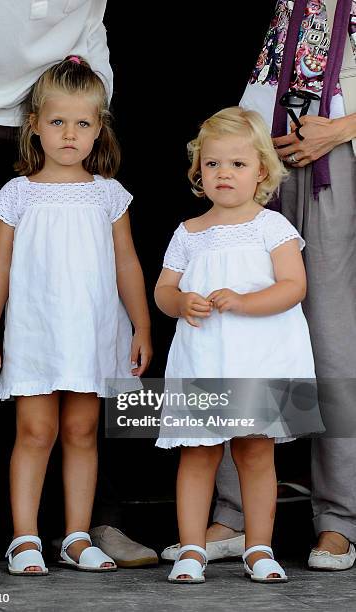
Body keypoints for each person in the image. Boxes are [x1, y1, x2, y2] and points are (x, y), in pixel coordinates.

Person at [0, 0, 156, 567]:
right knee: (36, 431)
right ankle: (23, 537)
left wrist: (141, 325)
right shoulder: (17, 194)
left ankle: (78, 536)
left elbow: (129, 265)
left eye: (83, 123)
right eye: (58, 122)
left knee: (85, 431)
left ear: (99, 129)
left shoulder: (109, 194)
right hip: (39, 334)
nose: (70, 134)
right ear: (35, 126)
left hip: (92, 333)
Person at [162, 0, 356, 571]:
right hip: (256, 149)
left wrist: (340, 128)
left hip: (335, 154)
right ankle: (230, 516)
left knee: (330, 337)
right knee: (229, 344)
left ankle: (340, 519)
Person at [154, 106, 322, 583]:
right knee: (198, 451)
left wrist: (247, 302)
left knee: (255, 451)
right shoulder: (189, 232)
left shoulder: (273, 227)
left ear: (262, 172)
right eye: (212, 164)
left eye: (237, 164)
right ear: (198, 172)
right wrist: (180, 301)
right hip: (205, 357)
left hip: (260, 357)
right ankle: (191, 549)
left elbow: (293, 286)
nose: (223, 173)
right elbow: (163, 291)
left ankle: (259, 548)